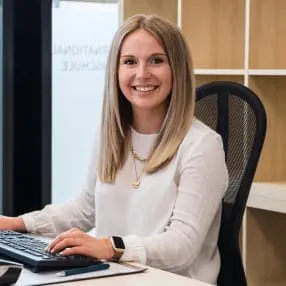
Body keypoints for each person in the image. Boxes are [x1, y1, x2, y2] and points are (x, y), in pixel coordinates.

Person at [0, 14, 228, 284]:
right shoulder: (112, 135)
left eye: (157, 60)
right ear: (116, 71)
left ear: (176, 69)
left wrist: (111, 247)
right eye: (130, 62)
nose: (142, 74)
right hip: (114, 276)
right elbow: (84, 210)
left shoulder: (202, 146)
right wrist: (17, 224)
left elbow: (182, 246)